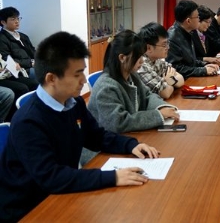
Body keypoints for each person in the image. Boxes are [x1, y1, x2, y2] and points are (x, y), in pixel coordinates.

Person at [0, 31, 159, 222]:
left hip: (60, 195)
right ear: (51, 79)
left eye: (83, 71)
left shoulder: (73, 102)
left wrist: (130, 145)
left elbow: (96, 136)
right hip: (29, 209)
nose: (84, 80)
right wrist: (113, 177)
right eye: (77, 74)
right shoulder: (28, 121)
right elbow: (51, 177)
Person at [88, 30, 179, 133]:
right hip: (104, 141)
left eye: (142, 55)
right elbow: (118, 123)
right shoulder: (106, 87)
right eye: (137, 56)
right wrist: (158, 115)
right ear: (122, 57)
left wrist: (162, 107)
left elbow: (147, 95)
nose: (142, 61)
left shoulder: (131, 75)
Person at [166, 0, 220, 79]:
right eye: (197, 17)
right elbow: (176, 69)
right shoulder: (172, 38)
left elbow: (190, 61)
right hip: (183, 82)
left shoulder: (187, 32)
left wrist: (205, 65)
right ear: (188, 21)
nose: (199, 19)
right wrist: (203, 70)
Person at [137, 22, 184, 100]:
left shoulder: (157, 60)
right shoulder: (141, 65)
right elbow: (165, 93)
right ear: (149, 48)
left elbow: (181, 79)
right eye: (164, 45)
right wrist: (167, 81)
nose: (168, 47)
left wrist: (168, 81)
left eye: (167, 43)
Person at [0, 7, 36, 76]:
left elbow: (33, 51)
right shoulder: (2, 38)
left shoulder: (23, 36)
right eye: (13, 19)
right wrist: (31, 62)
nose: (17, 21)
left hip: (33, 65)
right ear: (3, 22)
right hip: (21, 70)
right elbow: (7, 60)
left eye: (18, 18)